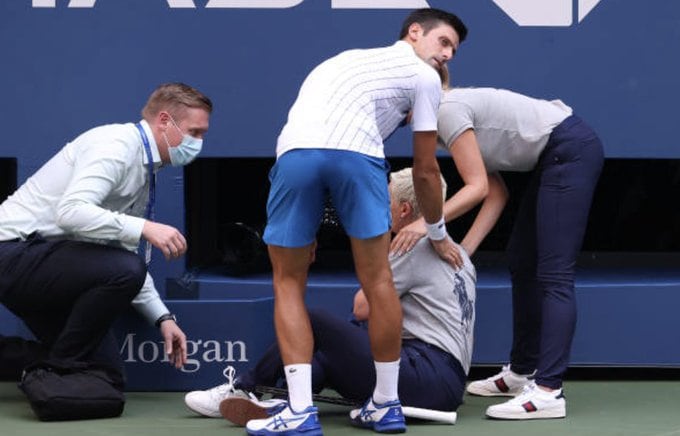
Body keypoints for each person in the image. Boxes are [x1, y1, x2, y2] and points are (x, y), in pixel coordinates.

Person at [251, 7, 469, 436]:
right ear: (414, 33)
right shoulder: (425, 78)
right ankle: (386, 405)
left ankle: (297, 411)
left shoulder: (341, 60)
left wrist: (306, 224)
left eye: (453, 51)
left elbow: (311, 143)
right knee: (379, 280)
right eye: (443, 43)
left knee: (288, 281)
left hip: (295, 156)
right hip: (357, 158)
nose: (447, 55)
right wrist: (437, 232)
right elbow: (426, 171)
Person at [184, 167, 476, 426]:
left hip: (425, 374)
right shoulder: (458, 251)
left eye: (383, 199)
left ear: (402, 210)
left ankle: (246, 386)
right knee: (326, 353)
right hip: (444, 384)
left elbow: (362, 307)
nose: (378, 206)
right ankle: (284, 399)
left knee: (313, 320)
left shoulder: (411, 245)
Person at [391, 68, 605, 420]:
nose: (402, 116)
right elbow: (495, 192)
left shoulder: (446, 110)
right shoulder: (445, 118)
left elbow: (476, 189)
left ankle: (549, 390)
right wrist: (462, 253)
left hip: (569, 149)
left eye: (403, 106)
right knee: (522, 259)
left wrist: (426, 225)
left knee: (555, 275)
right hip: (555, 155)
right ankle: (522, 372)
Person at [0, 82, 212, 390]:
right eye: (194, 133)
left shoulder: (145, 167)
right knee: (127, 269)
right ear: (164, 121)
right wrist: (145, 228)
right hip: (11, 253)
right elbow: (70, 213)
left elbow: (119, 251)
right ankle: (58, 368)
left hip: (48, 267)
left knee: (106, 378)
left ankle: (54, 366)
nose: (199, 143)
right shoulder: (116, 146)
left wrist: (162, 317)